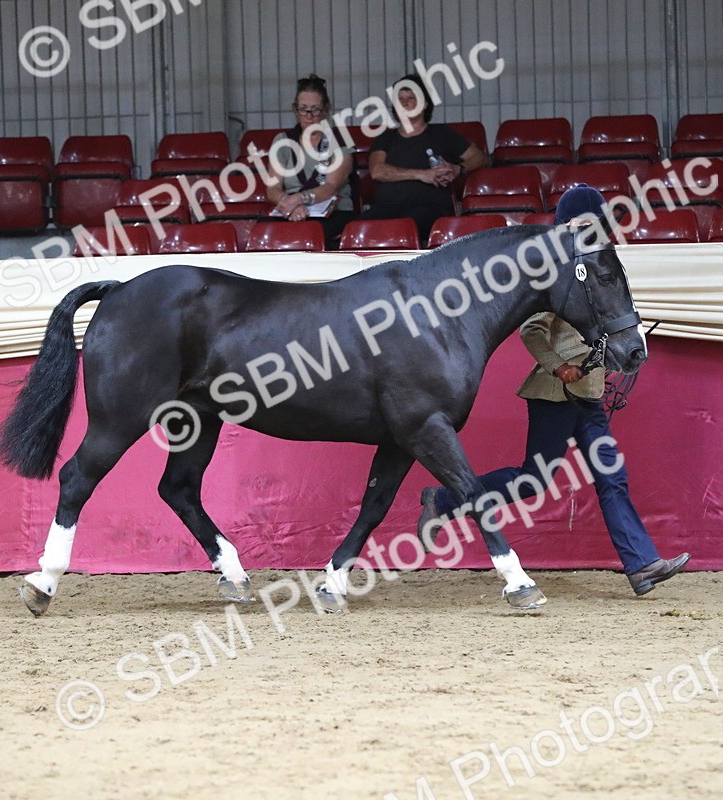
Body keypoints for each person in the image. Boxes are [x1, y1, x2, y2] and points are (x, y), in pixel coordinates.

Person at [416, 184, 690, 596]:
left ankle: (642, 566)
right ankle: (444, 501)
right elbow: (531, 330)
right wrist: (559, 366)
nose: (588, 231)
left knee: (612, 476)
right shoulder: (556, 274)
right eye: (579, 224)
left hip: (589, 395)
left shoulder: (597, 267)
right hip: (556, 394)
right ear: (563, 227)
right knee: (532, 481)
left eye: (593, 223)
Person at [358, 74, 487, 245]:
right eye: (400, 99)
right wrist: (422, 174)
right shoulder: (385, 138)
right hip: (386, 209)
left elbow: (479, 158)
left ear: (425, 104)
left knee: (411, 224)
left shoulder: (442, 134)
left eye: (411, 98)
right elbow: (377, 171)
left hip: (428, 210)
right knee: (356, 227)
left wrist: (458, 169)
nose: (405, 103)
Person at [264, 74, 356, 249]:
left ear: (325, 109)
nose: (309, 116)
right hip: (291, 211)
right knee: (264, 231)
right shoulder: (283, 141)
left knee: (310, 234)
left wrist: (299, 199)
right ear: (295, 110)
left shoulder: (340, 139)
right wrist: (289, 204)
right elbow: (272, 188)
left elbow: (331, 187)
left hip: (332, 211)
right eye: (303, 109)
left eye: (315, 109)